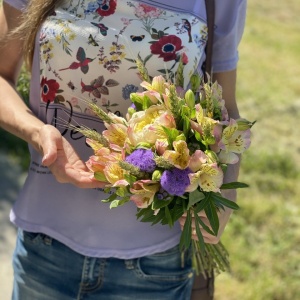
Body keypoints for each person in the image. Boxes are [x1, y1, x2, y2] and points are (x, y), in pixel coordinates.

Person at [0, 0, 247, 299]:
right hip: (44, 250)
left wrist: (225, 194)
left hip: (155, 268)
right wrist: (37, 132)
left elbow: (225, 108)